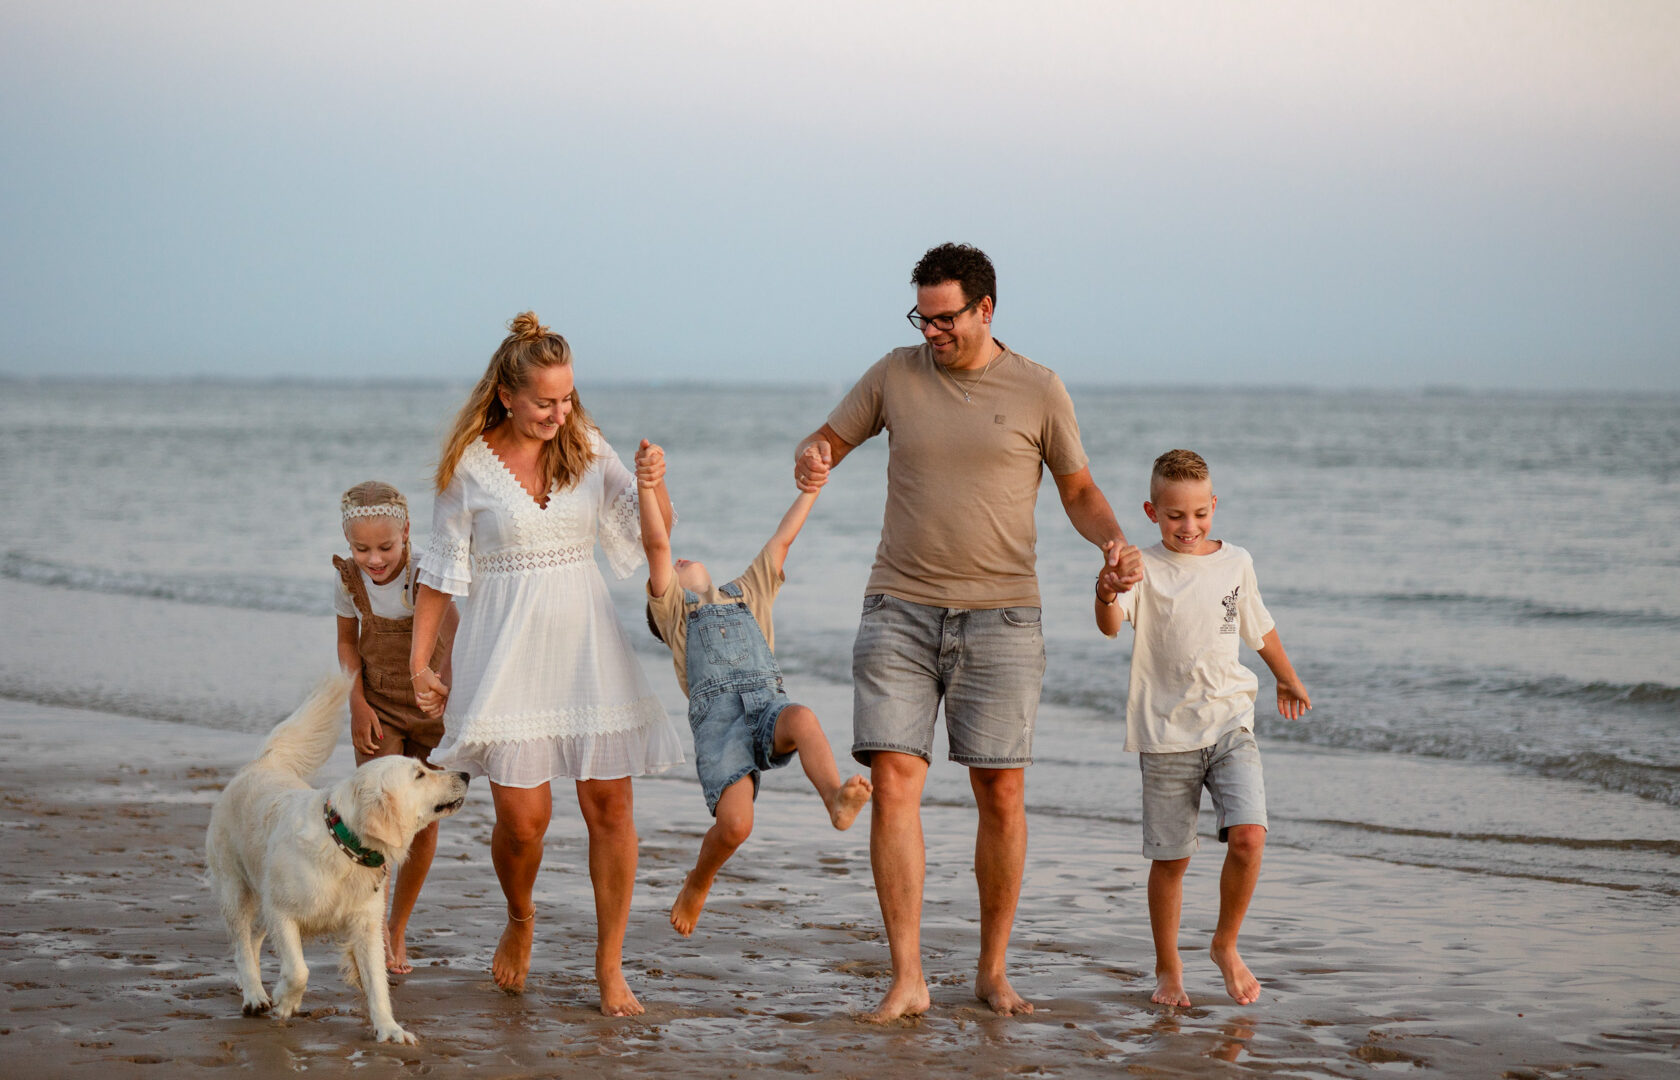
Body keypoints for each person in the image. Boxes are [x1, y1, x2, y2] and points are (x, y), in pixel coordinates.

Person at [795, 242, 1144, 1022]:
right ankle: (908, 977)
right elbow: (826, 440)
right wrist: (813, 456)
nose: (931, 331)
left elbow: (1079, 488)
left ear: (986, 310)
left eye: (945, 317)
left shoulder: (1039, 389)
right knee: (894, 783)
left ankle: (992, 971)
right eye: (922, 316)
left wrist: (1112, 544)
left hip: (1004, 616)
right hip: (899, 608)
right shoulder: (892, 374)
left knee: (1002, 793)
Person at [408, 312, 684, 1016]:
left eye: (567, 399)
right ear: (506, 394)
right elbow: (441, 574)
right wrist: (420, 663)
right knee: (524, 822)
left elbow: (653, 533)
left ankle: (609, 964)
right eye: (544, 402)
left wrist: (652, 482)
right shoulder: (468, 468)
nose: (559, 414)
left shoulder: (586, 444)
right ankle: (522, 916)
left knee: (610, 808)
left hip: (587, 651)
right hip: (505, 657)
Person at [1094, 449, 1310, 1007]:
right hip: (1165, 734)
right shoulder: (1141, 565)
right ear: (1151, 511)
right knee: (1172, 861)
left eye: (1199, 514)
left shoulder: (1236, 561)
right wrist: (1107, 588)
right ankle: (1169, 968)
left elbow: (1258, 628)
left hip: (1230, 720)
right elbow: (1110, 627)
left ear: (1213, 506)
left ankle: (1225, 944)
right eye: (1174, 516)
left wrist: (1287, 679)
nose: (1188, 527)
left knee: (1249, 837)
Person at [634, 440, 872, 937]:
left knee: (803, 717)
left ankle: (834, 798)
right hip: (721, 733)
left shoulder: (750, 591)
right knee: (737, 826)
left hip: (767, 709)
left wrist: (811, 488)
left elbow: (782, 540)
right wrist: (649, 483)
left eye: (681, 561)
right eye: (674, 570)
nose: (680, 560)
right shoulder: (677, 617)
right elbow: (657, 544)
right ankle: (699, 880)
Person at [333, 480, 460, 974]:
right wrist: (357, 705)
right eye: (361, 548)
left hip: (433, 707)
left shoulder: (428, 572)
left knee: (421, 819)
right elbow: (348, 645)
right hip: (378, 707)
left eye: (385, 547)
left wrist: (444, 697)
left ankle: (396, 926)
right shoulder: (349, 579)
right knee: (377, 820)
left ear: (407, 532)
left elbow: (453, 638)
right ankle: (371, 923)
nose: (375, 559)